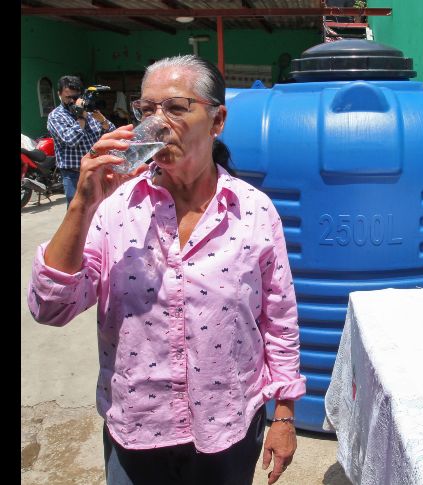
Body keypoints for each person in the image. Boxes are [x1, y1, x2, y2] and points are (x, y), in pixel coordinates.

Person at [27, 55, 306, 485]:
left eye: (175, 108)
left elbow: (279, 319)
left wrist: (284, 414)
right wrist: (83, 204)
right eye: (146, 110)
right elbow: (51, 307)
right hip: (138, 428)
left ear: (217, 121)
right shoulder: (116, 209)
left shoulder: (252, 211)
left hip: (227, 427)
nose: (156, 123)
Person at [47, 75, 116, 208]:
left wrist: (102, 120)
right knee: (77, 209)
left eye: (76, 97)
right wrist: (81, 118)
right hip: (74, 174)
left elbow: (111, 134)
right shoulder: (56, 116)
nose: (73, 101)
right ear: (59, 94)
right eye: (68, 97)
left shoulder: (89, 111)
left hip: (96, 169)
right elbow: (71, 140)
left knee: (101, 208)